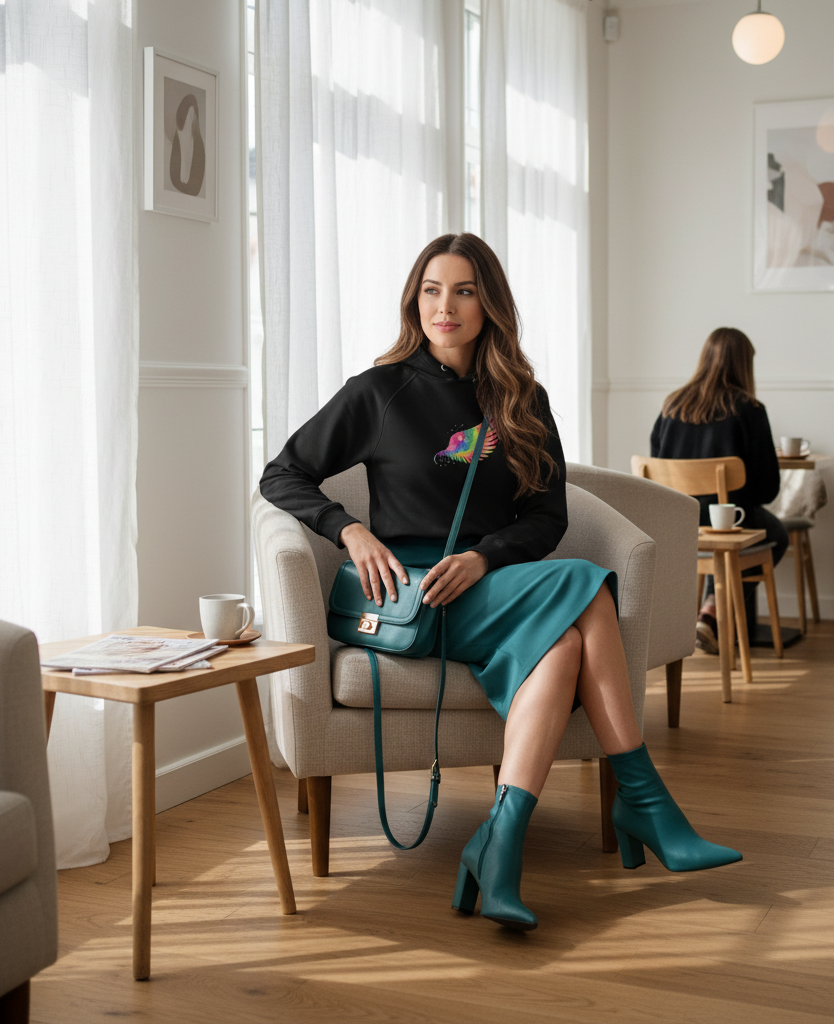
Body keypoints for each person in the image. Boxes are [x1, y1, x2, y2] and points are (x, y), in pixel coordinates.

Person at [260, 233, 741, 931]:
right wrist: (350, 529)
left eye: (462, 290)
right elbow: (282, 473)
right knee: (584, 583)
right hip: (411, 595)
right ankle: (642, 799)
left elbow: (548, 516)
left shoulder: (522, 398)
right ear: (413, 300)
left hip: (492, 584)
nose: (444, 306)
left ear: (489, 304)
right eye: (431, 290)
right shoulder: (378, 391)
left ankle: (500, 845)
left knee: (567, 646)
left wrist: (485, 558)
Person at [650, 328, 787, 655]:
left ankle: (710, 611)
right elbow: (768, 489)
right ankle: (716, 607)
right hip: (728, 524)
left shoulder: (672, 406)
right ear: (744, 365)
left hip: (678, 524)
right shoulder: (749, 409)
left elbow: (657, 472)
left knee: (722, 537)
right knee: (778, 536)